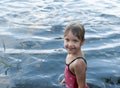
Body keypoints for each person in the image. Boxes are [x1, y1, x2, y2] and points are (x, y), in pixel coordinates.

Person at [61, 21, 88, 88]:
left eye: (75, 41)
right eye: (67, 40)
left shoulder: (78, 63)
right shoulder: (71, 53)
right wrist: (65, 79)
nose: (70, 45)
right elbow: (70, 72)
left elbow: (82, 86)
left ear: (82, 42)